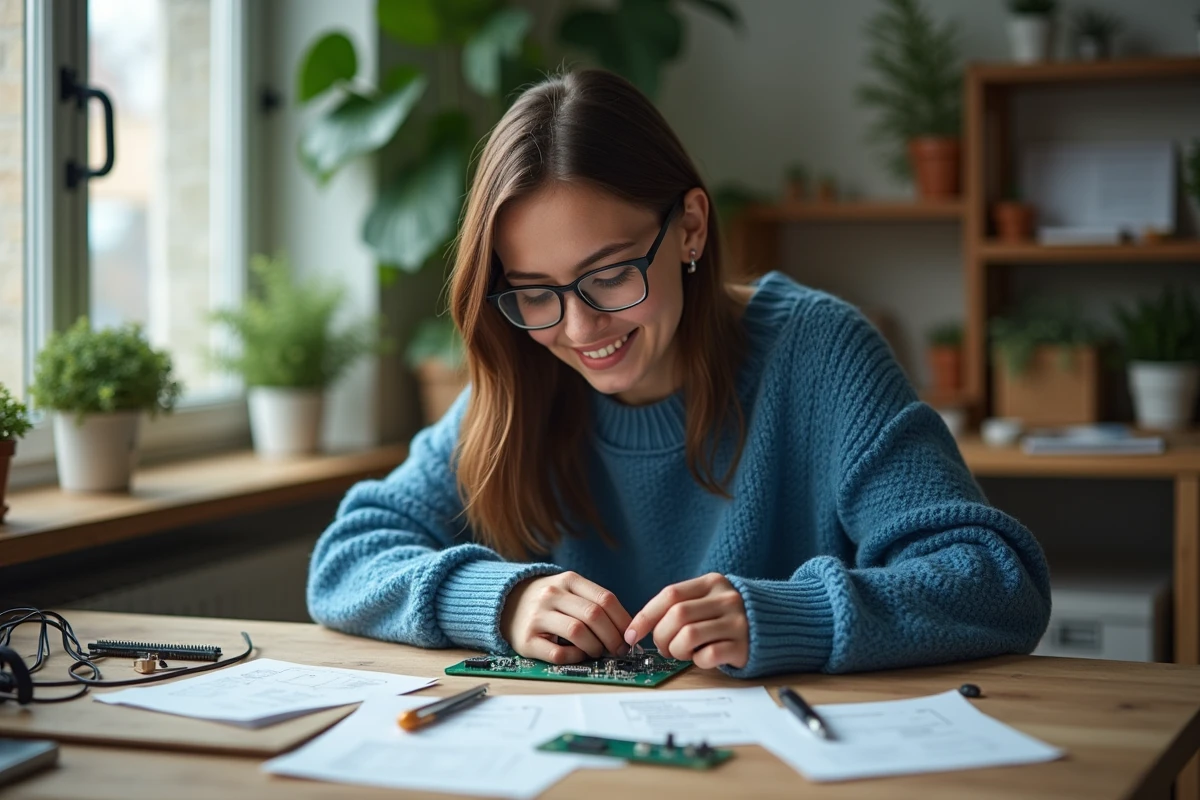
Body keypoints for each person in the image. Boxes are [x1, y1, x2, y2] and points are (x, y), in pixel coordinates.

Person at [307, 69, 1050, 679]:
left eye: (610, 274)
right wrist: (501, 601)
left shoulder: (817, 353)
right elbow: (346, 560)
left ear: (690, 227)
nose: (577, 328)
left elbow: (995, 581)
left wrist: (788, 616)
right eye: (534, 291)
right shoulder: (522, 378)